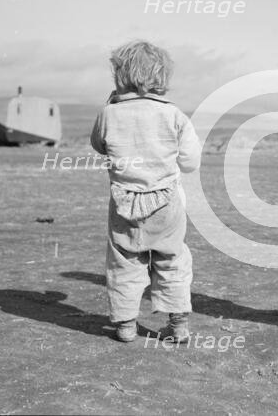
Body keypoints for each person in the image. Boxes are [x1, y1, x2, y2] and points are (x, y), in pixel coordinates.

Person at [90, 40, 201, 343]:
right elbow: (191, 162)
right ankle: (178, 324)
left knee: (124, 262)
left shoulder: (109, 114)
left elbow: (98, 144)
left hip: (124, 201)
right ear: (162, 78)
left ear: (120, 76)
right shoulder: (174, 115)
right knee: (172, 259)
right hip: (167, 202)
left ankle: (126, 325)